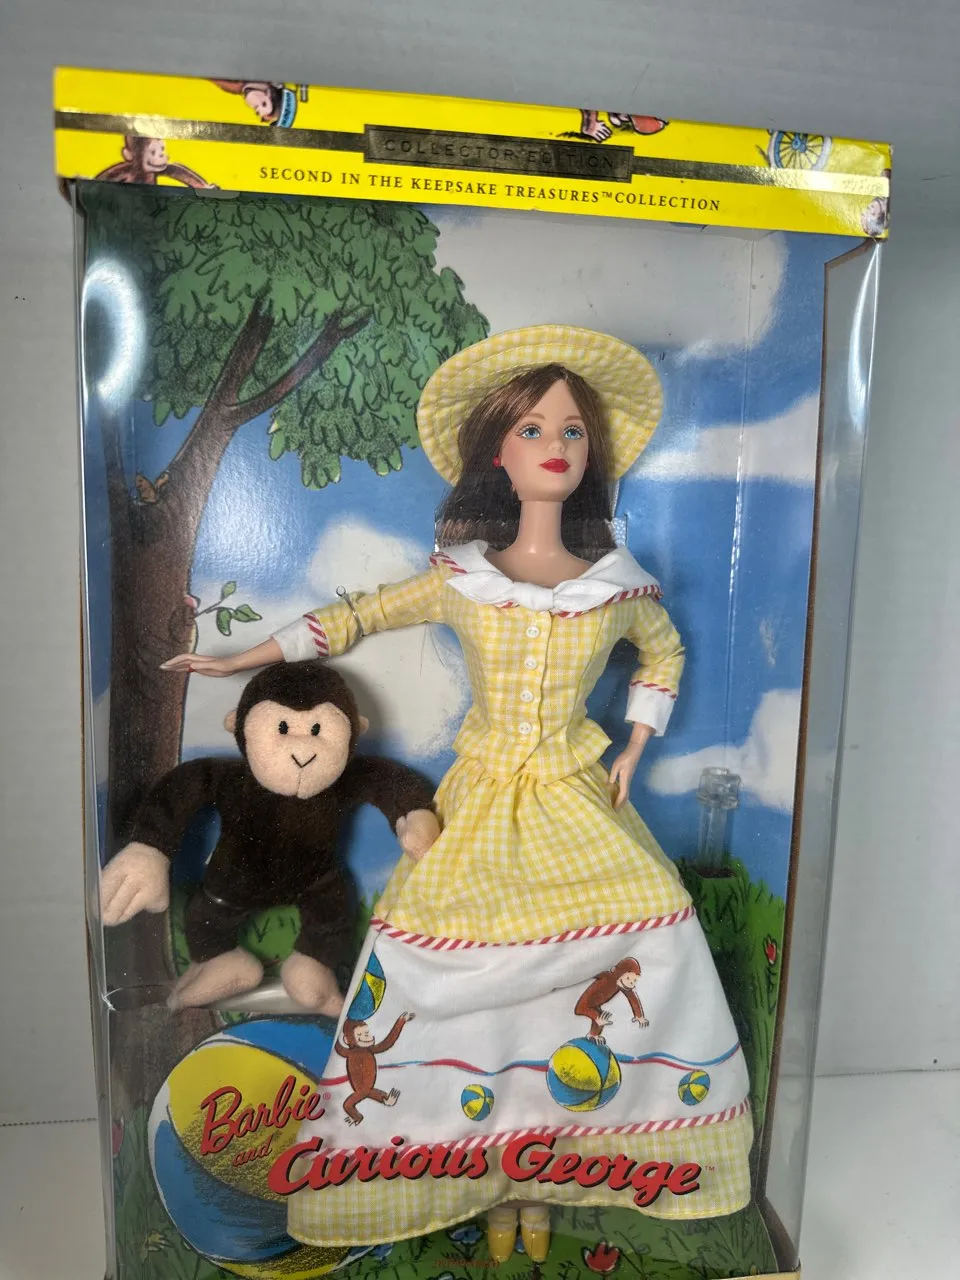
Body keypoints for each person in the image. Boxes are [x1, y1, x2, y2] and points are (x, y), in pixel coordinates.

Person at [164, 326, 752, 1259]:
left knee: (642, 927)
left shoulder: (616, 589)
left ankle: (555, 1170)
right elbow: (360, 616)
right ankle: (481, 1172)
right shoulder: (464, 581)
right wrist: (243, 659)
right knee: (450, 961)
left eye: (572, 431)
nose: (554, 445)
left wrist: (636, 744)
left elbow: (665, 649)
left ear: (592, 454)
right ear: (497, 454)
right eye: (531, 429)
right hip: (479, 802)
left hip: (575, 798)